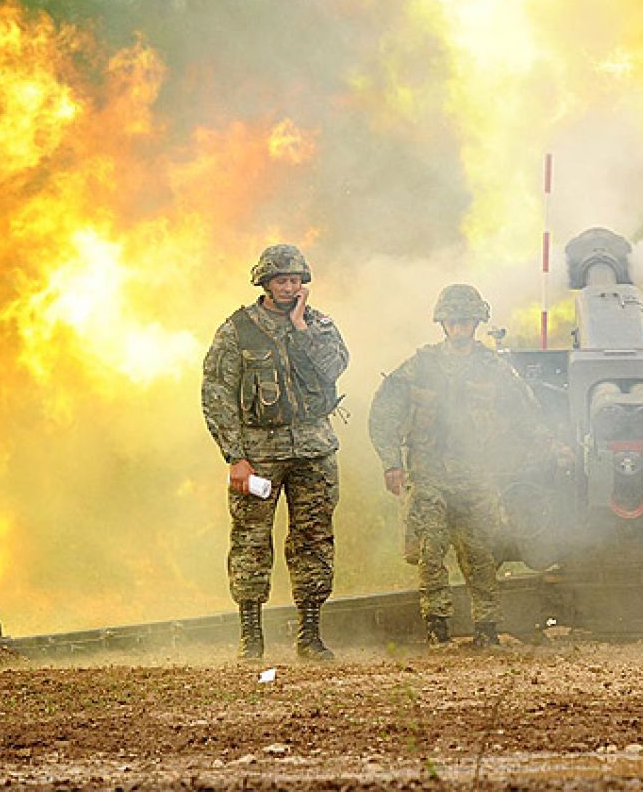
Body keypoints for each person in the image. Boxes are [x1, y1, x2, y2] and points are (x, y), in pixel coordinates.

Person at [368, 284, 551, 648]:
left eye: (467, 320)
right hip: (428, 474)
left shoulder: (494, 369)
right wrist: (391, 462)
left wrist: (540, 454)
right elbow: (385, 410)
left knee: (482, 553)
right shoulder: (421, 366)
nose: (460, 327)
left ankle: (487, 630)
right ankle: (438, 631)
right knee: (430, 552)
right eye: (454, 321)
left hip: (476, 474)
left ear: (477, 323)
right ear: (443, 324)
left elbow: (526, 416)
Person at [202, 244, 349, 662]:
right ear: (265, 283)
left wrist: (302, 328)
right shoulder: (238, 330)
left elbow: (335, 368)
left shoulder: (319, 325)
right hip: (259, 455)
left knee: (314, 540)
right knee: (250, 540)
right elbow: (217, 395)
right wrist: (235, 456)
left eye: (297, 280)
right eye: (283, 280)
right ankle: (251, 637)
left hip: (313, 452)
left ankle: (310, 634)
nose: (290, 287)